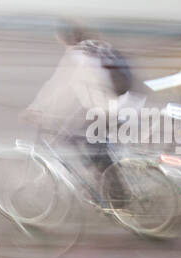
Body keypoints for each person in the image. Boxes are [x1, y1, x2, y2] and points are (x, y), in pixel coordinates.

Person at [22, 19, 136, 185]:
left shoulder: (76, 57)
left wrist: (37, 110)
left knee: (84, 141)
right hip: (125, 103)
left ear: (61, 37)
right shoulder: (96, 46)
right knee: (80, 136)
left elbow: (58, 88)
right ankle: (102, 180)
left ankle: (117, 196)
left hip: (107, 110)